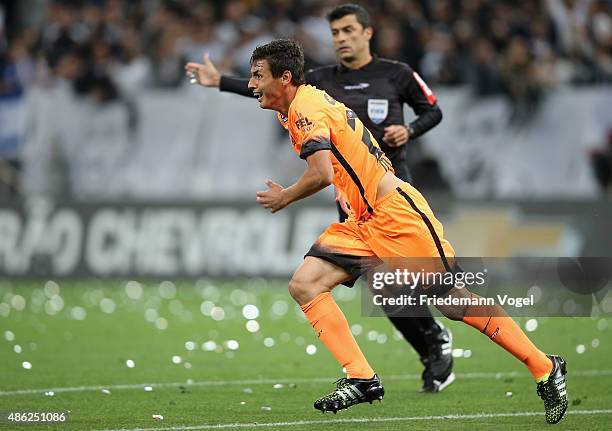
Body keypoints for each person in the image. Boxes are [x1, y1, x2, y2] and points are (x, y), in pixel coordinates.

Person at [186, 39, 568, 423]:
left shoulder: (305, 110)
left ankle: (545, 367)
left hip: (397, 216)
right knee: (305, 284)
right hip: (363, 221)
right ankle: (362, 377)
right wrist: (221, 81)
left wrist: (285, 197)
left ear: (285, 78)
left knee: (454, 301)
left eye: (257, 76)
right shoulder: (303, 100)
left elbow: (319, 174)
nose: (252, 84)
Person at [186, 3, 454, 394]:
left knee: (420, 285)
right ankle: (431, 345)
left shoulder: (396, 74)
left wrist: (409, 130)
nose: (341, 38)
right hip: (349, 197)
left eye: (348, 30)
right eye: (335, 33)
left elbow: (433, 110)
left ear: (367, 33)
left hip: (390, 185)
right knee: (381, 286)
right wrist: (221, 82)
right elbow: (274, 88)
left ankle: (437, 335)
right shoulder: (320, 79)